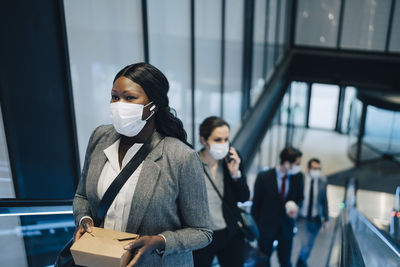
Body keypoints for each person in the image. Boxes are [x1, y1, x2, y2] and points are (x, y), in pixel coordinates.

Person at [72, 63, 212, 267]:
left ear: (153, 105)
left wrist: (160, 241)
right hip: (99, 260)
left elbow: (202, 232)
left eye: (129, 98)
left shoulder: (181, 157)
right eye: (114, 97)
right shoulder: (99, 137)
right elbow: (82, 195)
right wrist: (84, 219)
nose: (119, 104)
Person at [193, 116, 250, 267]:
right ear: (204, 140)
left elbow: (244, 197)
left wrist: (236, 174)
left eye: (226, 139)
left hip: (230, 231)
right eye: (218, 140)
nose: (223, 144)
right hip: (203, 236)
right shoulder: (192, 163)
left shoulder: (231, 160)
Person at [252, 146, 304, 267]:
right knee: (263, 261)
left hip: (286, 227)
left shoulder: (298, 177)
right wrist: (256, 230)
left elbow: (300, 198)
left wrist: (295, 208)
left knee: (285, 261)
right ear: (286, 163)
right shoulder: (263, 177)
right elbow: (256, 206)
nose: (298, 167)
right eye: (297, 164)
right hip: (266, 228)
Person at [296, 158, 329, 267]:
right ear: (308, 168)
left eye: (319, 169)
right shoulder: (300, 179)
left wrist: (326, 219)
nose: (317, 171)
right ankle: (300, 263)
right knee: (305, 244)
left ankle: (302, 262)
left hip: (316, 219)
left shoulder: (322, 181)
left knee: (310, 245)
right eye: (314, 168)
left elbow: (324, 201)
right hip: (302, 218)